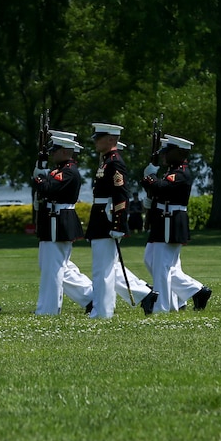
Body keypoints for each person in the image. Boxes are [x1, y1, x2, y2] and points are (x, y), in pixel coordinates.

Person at [84, 123, 154, 318]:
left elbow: (121, 196)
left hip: (106, 220)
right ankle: (145, 295)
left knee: (102, 270)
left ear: (111, 140)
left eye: (100, 138)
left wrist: (117, 224)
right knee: (107, 267)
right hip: (100, 217)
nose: (96, 141)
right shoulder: (105, 161)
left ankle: (102, 312)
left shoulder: (114, 162)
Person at [140, 134, 211, 313]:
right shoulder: (172, 171)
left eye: (168, 151)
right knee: (151, 260)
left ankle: (162, 306)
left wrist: (150, 178)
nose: (164, 155)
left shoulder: (180, 173)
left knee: (163, 266)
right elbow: (158, 189)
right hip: (162, 220)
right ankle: (194, 291)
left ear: (179, 153)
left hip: (170, 221)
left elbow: (162, 188)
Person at [33, 134, 93, 315]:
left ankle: (48, 309)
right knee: (58, 266)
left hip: (58, 220)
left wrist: (38, 178)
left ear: (66, 152)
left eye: (55, 151)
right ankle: (91, 297)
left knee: (54, 268)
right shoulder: (59, 170)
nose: (52, 154)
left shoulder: (68, 172)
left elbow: (47, 188)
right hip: (52, 220)